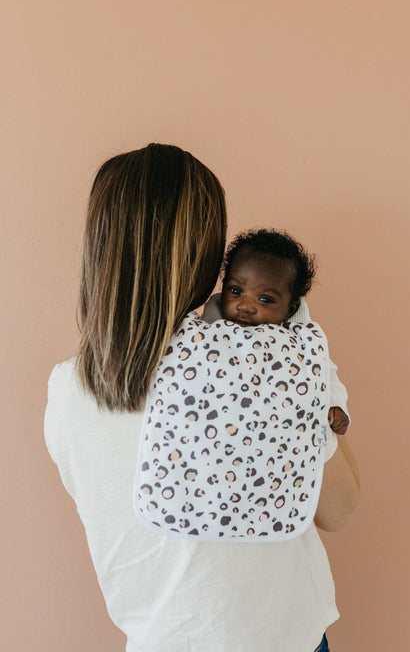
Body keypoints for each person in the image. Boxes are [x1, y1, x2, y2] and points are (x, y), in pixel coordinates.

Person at [44, 143, 359, 652]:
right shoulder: (258, 363)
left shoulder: (67, 391)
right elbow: (339, 509)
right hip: (280, 637)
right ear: (204, 252)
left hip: (162, 640)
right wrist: (297, 367)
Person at [204, 228, 350, 435]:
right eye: (236, 291)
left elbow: (324, 371)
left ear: (290, 310)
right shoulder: (211, 325)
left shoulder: (298, 341)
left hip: (279, 432)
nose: (245, 306)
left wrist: (336, 405)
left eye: (265, 299)